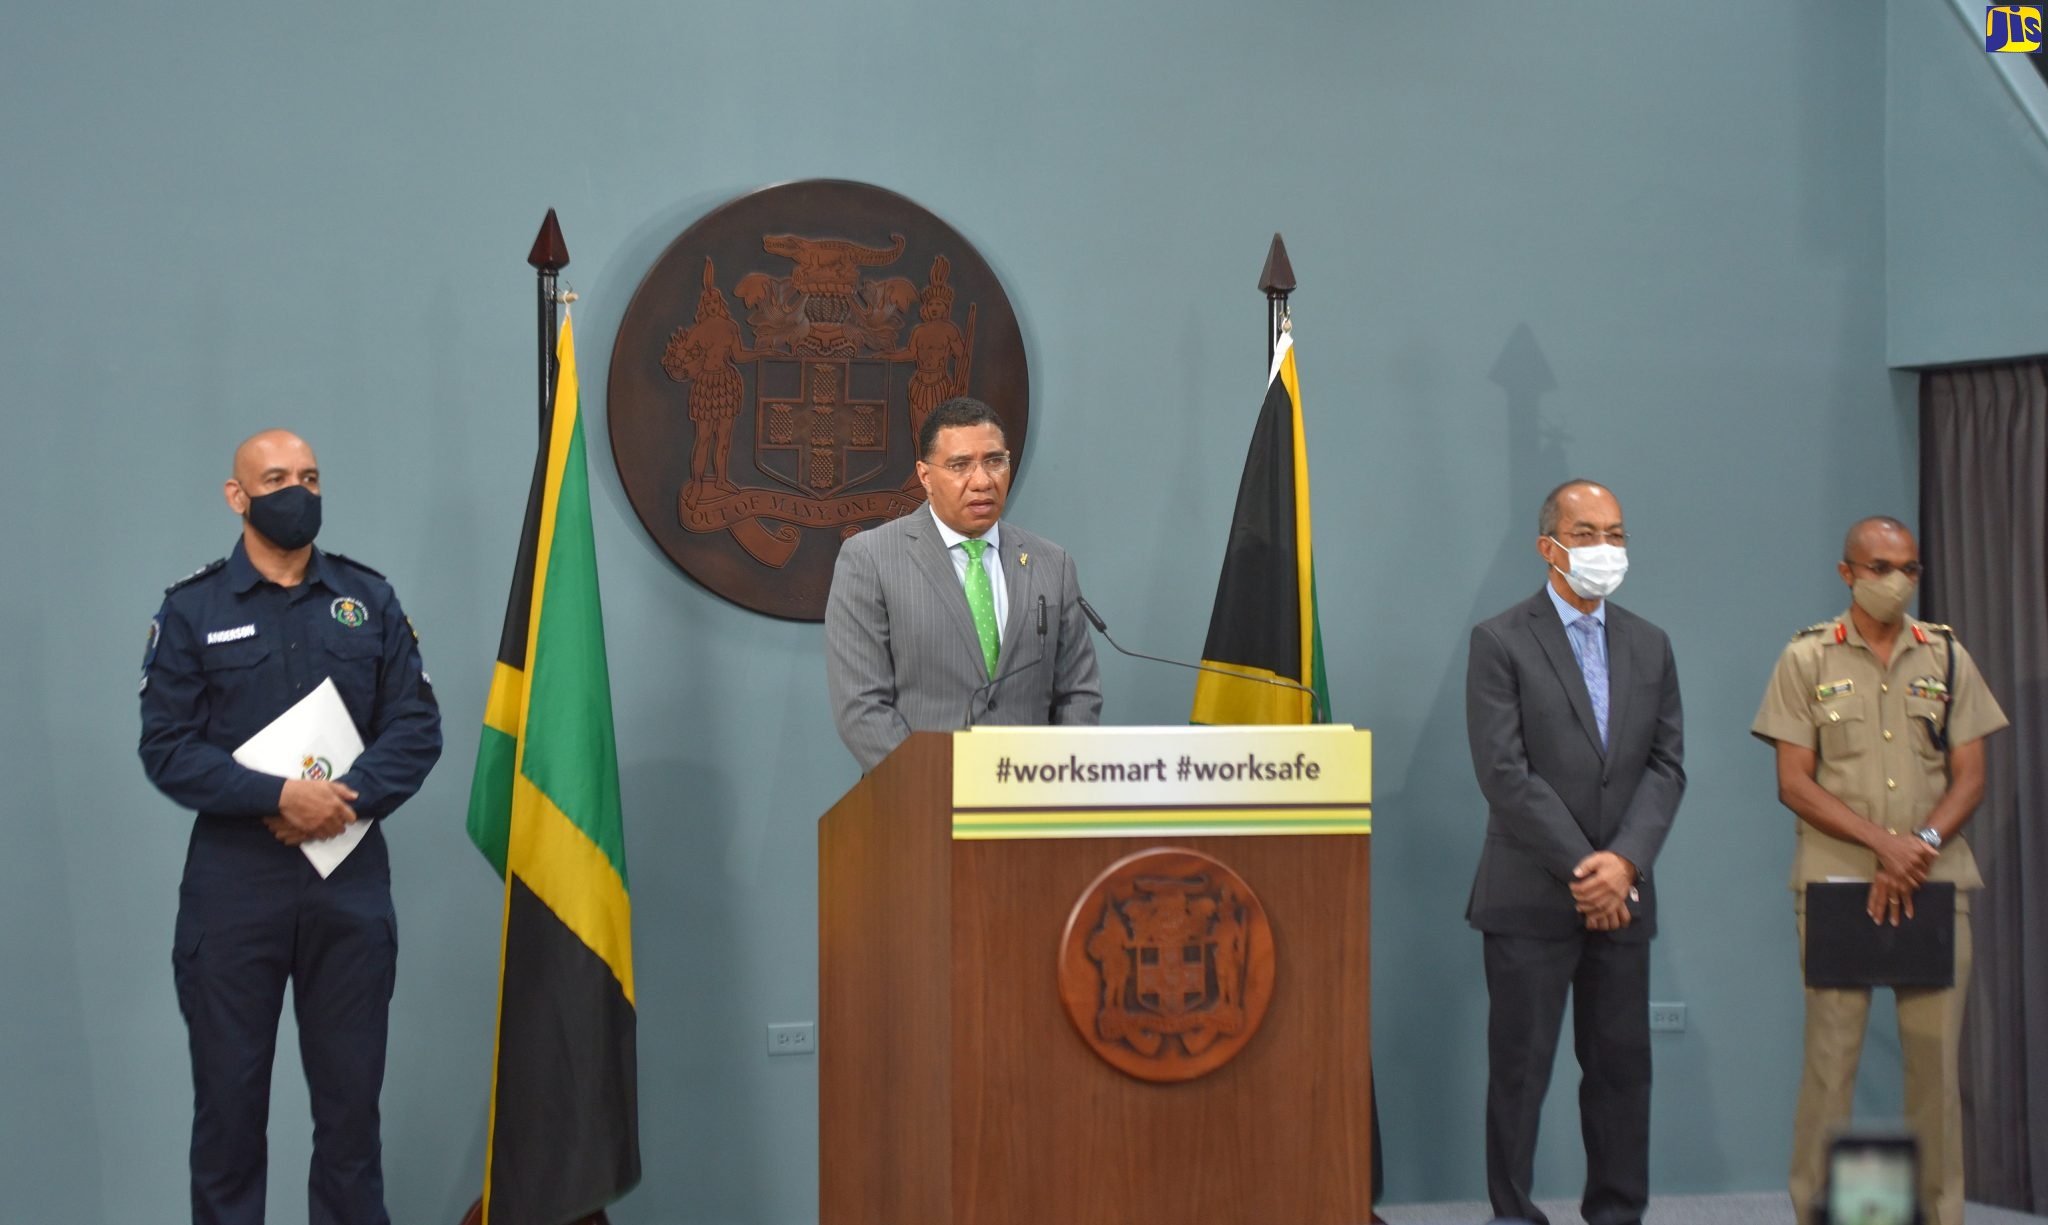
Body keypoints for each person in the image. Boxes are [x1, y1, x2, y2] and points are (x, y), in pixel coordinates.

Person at [138, 429, 443, 1225]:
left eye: (309, 476)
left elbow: (416, 727)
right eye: (275, 477)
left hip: (347, 885)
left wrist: (340, 797)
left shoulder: (367, 599)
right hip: (235, 893)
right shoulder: (192, 609)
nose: (296, 490)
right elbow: (167, 747)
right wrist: (277, 795)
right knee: (230, 1121)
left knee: (350, 1122)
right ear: (237, 496)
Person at [1751, 516, 2007, 1225]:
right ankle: (1825, 1213)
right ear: (1848, 573)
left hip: (1935, 880)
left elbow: (1972, 776)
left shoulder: (1948, 657)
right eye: (1880, 566)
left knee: (1934, 1069)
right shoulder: (1808, 658)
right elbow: (1794, 783)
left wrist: (1917, 844)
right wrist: (1881, 845)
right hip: (1839, 886)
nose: (1896, 580)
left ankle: (1936, 1213)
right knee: (1831, 1068)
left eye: (1908, 568)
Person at [1464, 478, 1686, 1225]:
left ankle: (1618, 1212)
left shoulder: (1649, 643)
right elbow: (1504, 771)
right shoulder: (1500, 640)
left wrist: (1623, 863)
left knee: (1623, 1069)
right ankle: (1513, 1213)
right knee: (1520, 1073)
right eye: (1586, 532)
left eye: (1616, 534)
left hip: (1623, 895)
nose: (1604, 548)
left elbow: (1666, 764)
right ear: (1548, 546)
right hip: (1530, 893)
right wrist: (1585, 867)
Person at [825, 396, 1101, 771]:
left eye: (994, 462)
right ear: (925, 476)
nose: (982, 481)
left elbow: (1078, 695)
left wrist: (1057, 777)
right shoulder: (871, 559)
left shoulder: (1053, 563)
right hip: (919, 804)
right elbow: (861, 706)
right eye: (960, 465)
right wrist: (933, 787)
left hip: (1029, 804)